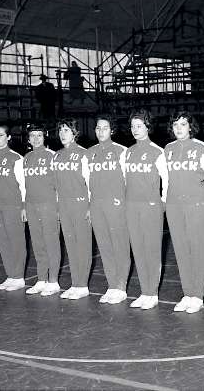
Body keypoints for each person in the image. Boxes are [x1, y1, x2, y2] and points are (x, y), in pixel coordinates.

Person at [164, 111, 204, 314]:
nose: (179, 128)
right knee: (181, 250)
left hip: (196, 204)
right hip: (174, 205)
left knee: (197, 249)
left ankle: (197, 295)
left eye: (183, 124)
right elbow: (166, 180)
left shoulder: (201, 147)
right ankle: (188, 293)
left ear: (191, 126)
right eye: (175, 124)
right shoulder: (168, 149)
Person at [125, 109, 168, 310]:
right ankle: (144, 291)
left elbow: (167, 181)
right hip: (132, 207)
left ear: (148, 127)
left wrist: (162, 203)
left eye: (139, 126)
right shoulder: (128, 152)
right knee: (138, 250)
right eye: (133, 126)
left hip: (150, 207)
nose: (135, 130)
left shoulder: (158, 152)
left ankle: (152, 293)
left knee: (151, 250)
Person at [87, 114, 130, 305]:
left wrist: (123, 202)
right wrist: (90, 205)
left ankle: (121, 286)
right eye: (98, 128)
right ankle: (112, 285)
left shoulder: (122, 151)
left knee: (120, 246)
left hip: (116, 206)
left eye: (105, 128)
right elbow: (87, 181)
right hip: (97, 205)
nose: (101, 131)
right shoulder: (90, 153)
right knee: (105, 247)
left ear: (112, 130)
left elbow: (129, 181)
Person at [53, 118, 91, 300]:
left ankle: (82, 285)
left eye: (66, 130)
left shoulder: (84, 154)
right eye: (60, 130)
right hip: (64, 205)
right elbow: (55, 185)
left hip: (80, 204)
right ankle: (75, 283)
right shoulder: (57, 155)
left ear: (75, 133)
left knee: (82, 246)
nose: (62, 134)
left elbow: (90, 183)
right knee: (70, 245)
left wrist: (89, 206)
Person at [0, 123, 27, 291]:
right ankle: (10, 275)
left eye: (1, 135)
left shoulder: (16, 158)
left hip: (12, 206)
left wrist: (24, 206)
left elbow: (24, 185)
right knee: (2, 242)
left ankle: (18, 277)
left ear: (8, 137)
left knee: (16, 242)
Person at [22, 125, 61, 297]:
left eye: (39, 135)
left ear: (44, 137)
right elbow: (25, 185)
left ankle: (53, 281)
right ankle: (41, 279)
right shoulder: (26, 158)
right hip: (32, 206)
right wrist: (25, 206)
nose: (36, 139)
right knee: (38, 244)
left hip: (49, 205)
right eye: (33, 136)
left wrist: (58, 208)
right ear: (28, 138)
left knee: (51, 243)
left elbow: (59, 184)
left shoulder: (53, 156)